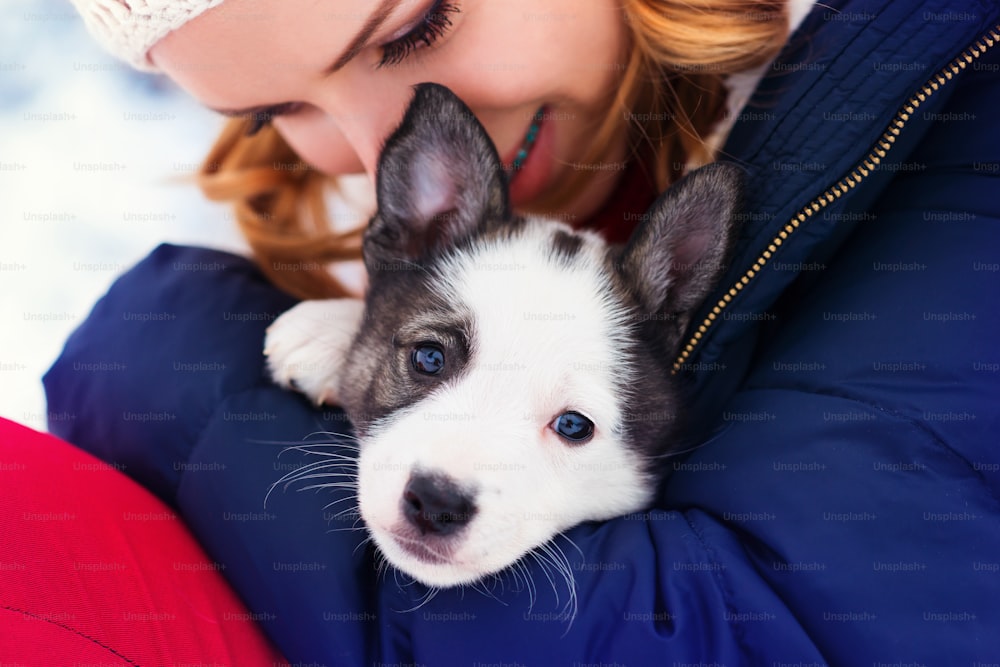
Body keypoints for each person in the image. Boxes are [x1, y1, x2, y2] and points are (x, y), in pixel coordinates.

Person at [12, 0, 999, 663]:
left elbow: (712, 632)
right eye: (276, 110)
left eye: (416, 26)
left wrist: (161, 359)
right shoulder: (507, 234)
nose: (372, 146)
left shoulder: (959, 122)